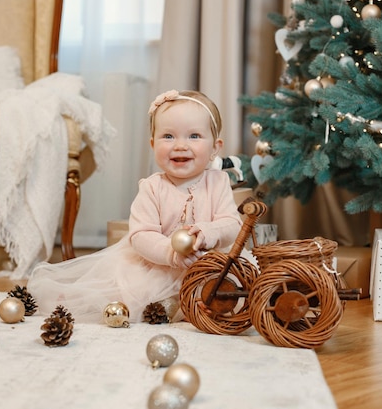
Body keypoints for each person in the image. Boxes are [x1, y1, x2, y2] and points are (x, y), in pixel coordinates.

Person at [28, 90, 242, 323]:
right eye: (168, 136)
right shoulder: (152, 187)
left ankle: (189, 304)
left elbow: (232, 224)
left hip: (209, 265)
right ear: (152, 143)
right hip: (158, 266)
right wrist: (170, 253)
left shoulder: (218, 182)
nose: (180, 145)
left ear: (215, 147)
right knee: (125, 291)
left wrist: (209, 232)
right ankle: (161, 305)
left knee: (235, 292)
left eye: (194, 136)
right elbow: (141, 235)